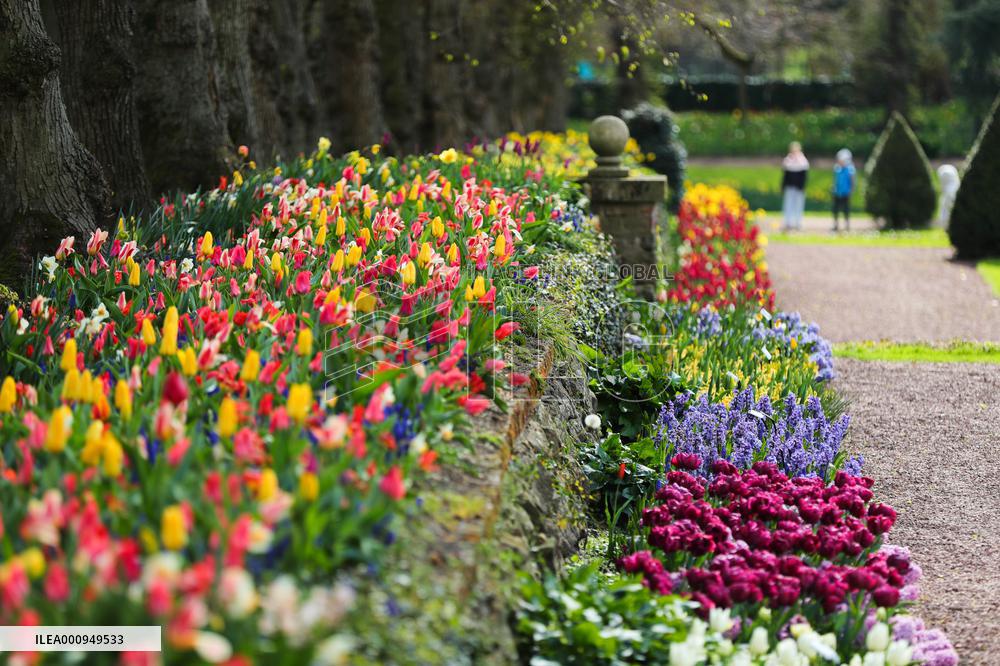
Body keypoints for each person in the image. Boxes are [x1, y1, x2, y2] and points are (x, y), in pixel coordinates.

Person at [781, 142, 809, 231]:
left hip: (799, 188)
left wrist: (802, 186)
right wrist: (783, 186)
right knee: (788, 204)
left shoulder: (802, 161)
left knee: (798, 205)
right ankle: (788, 222)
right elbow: (785, 176)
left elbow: (804, 177)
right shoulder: (788, 160)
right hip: (790, 187)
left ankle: (798, 223)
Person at [832, 148, 856, 231]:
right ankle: (836, 225)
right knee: (835, 209)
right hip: (837, 192)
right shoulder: (837, 169)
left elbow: (852, 181)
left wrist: (851, 190)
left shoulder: (850, 169)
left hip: (846, 192)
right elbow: (836, 180)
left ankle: (847, 225)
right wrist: (834, 187)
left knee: (846, 209)